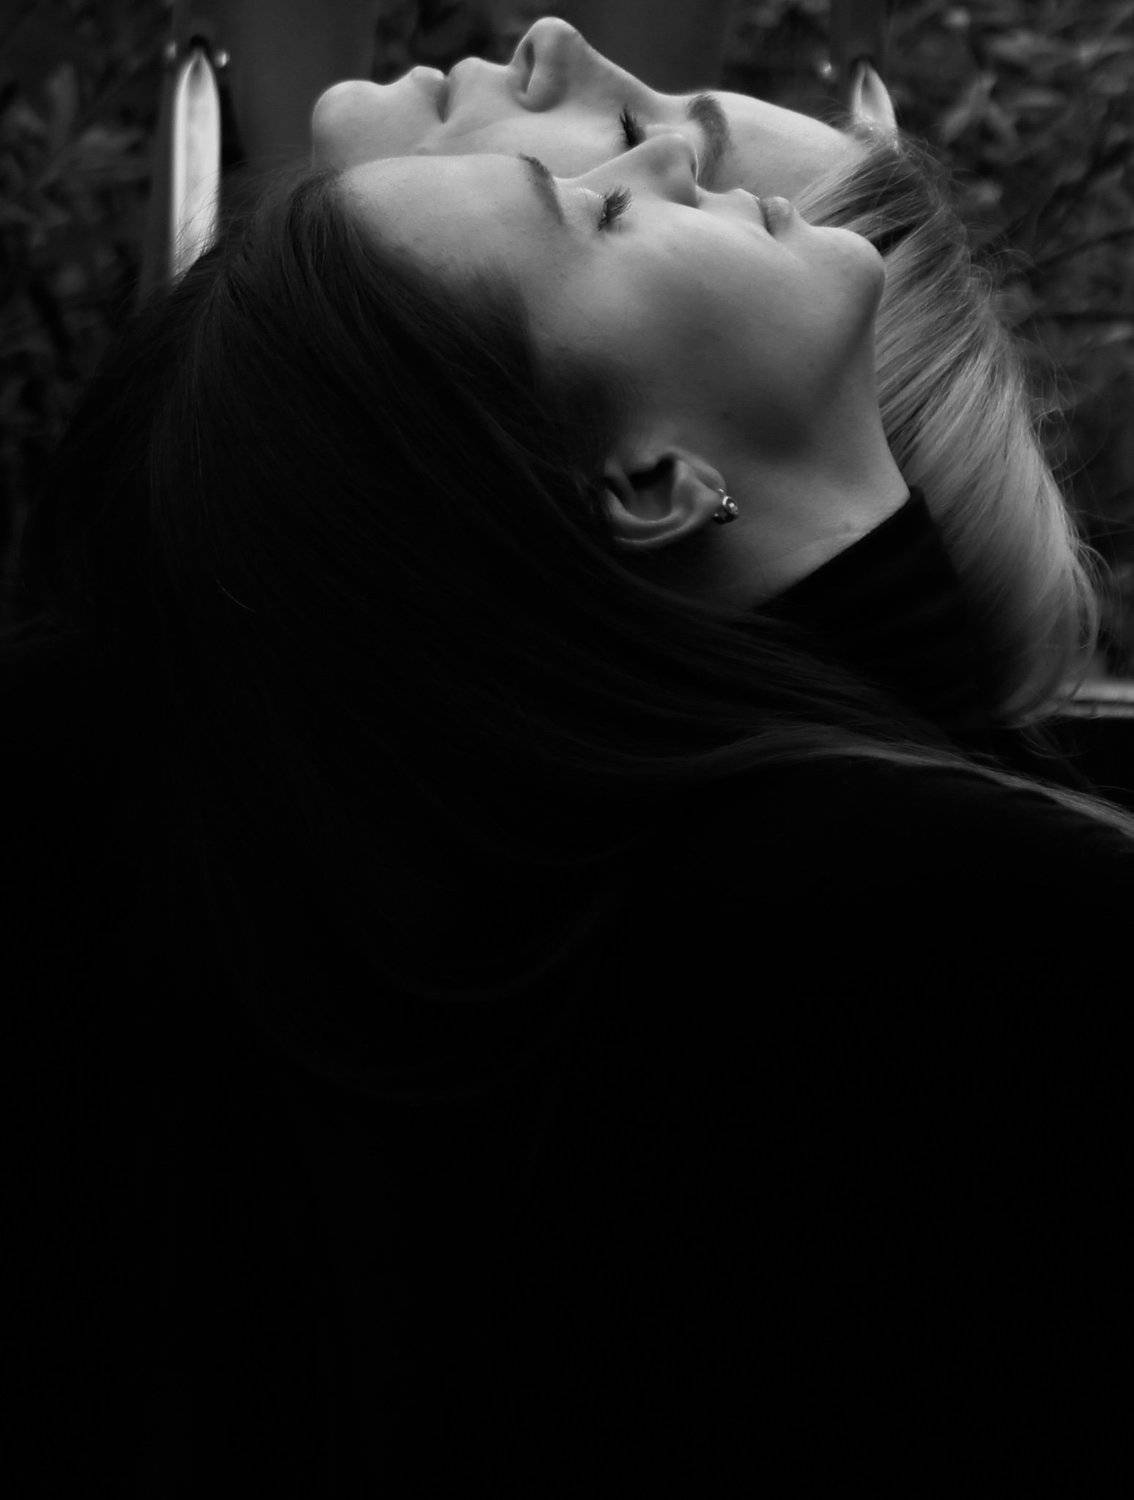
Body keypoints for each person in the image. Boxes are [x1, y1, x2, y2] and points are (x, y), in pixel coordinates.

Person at [8, 55, 1132, 1500]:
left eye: (643, 162)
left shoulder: (815, 888)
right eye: (600, 198)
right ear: (644, 482)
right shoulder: (902, 910)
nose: (655, 167)